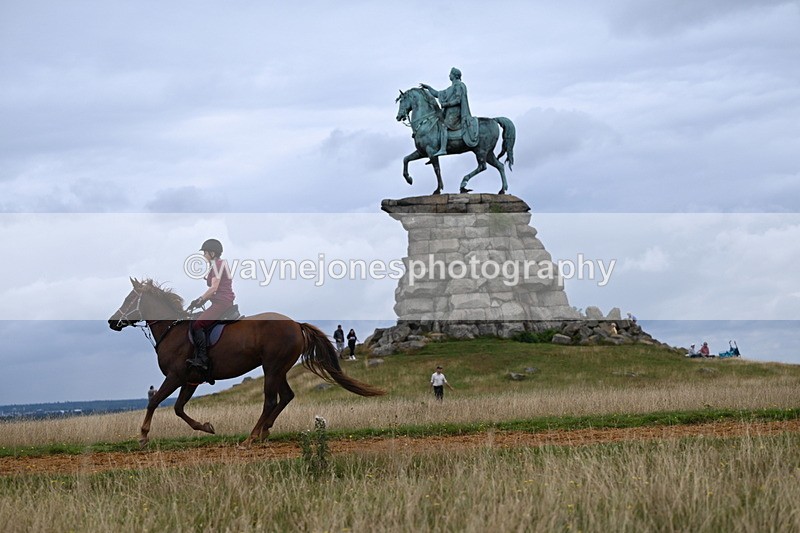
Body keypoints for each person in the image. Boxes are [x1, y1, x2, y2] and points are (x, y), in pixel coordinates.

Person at [186, 238, 236, 383]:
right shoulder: (218, 265)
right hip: (221, 301)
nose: (203, 256)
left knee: (197, 325)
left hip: (221, 303)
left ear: (212, 253)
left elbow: (214, 288)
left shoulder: (217, 266)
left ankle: (202, 360)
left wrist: (200, 300)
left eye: (205, 253)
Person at [420, 67, 478, 156]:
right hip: (449, 112)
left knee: (443, 126)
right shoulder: (451, 88)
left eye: (450, 74)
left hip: (456, 113)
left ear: (454, 75)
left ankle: (443, 149)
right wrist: (428, 88)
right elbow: (437, 94)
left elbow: (458, 100)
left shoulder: (459, 86)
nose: (449, 75)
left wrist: (446, 104)